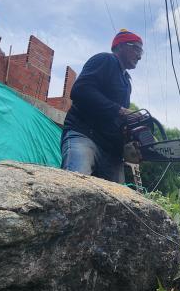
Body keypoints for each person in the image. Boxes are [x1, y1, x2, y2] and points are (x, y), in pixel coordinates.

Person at [61, 29, 143, 183]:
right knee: (75, 184)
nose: (139, 56)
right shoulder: (105, 60)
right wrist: (121, 111)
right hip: (84, 135)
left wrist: (130, 137)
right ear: (121, 46)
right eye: (137, 49)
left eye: (141, 52)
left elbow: (115, 118)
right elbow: (80, 90)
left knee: (117, 201)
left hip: (111, 150)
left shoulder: (126, 82)